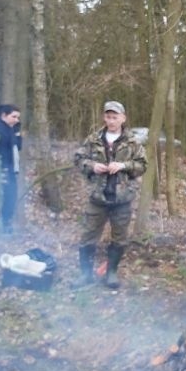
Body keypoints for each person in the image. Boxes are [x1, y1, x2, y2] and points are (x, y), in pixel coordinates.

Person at [73, 101, 147, 289]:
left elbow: (142, 166)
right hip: (97, 198)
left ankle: (111, 273)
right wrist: (92, 166)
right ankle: (85, 275)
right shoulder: (93, 139)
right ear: (104, 117)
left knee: (120, 238)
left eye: (115, 117)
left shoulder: (133, 142)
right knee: (87, 236)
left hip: (122, 199)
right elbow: (78, 159)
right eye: (108, 116)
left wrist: (123, 166)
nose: (111, 120)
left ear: (123, 118)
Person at [0, 104, 22, 234]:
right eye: (14, 116)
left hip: (11, 170)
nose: (17, 120)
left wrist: (18, 133)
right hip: (0, 170)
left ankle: (6, 226)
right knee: (3, 199)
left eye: (18, 117)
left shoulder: (11, 129)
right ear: (3, 115)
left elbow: (17, 147)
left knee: (11, 198)